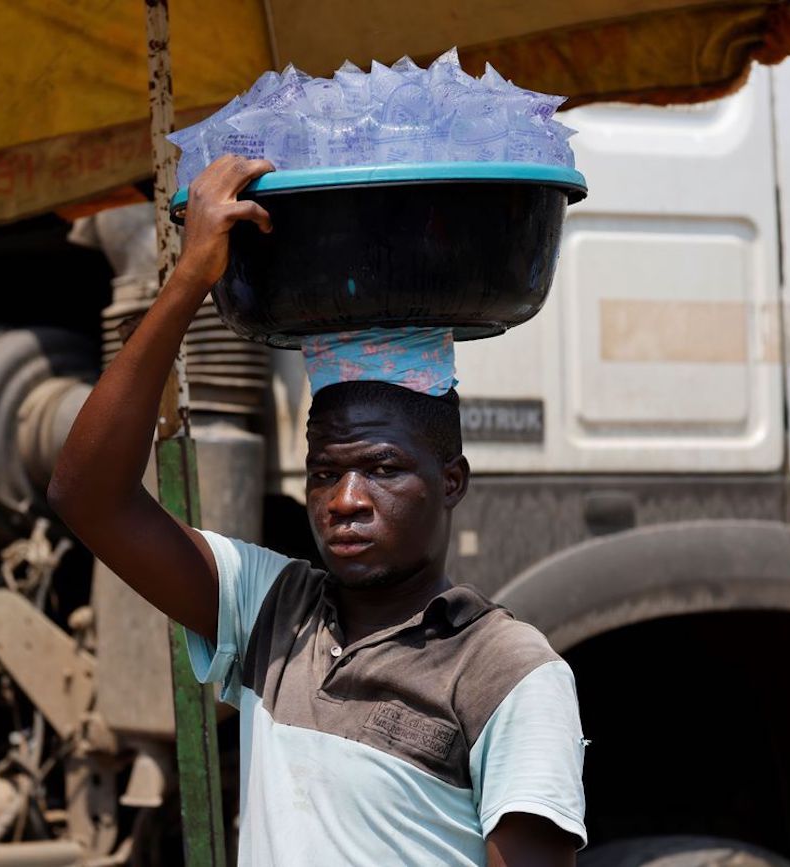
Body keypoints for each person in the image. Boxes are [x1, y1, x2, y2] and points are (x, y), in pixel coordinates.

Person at [48, 154, 587, 867]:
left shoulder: (507, 670)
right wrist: (186, 284)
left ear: (452, 479)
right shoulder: (273, 611)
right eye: (325, 472)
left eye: (383, 469)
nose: (346, 500)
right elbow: (88, 496)